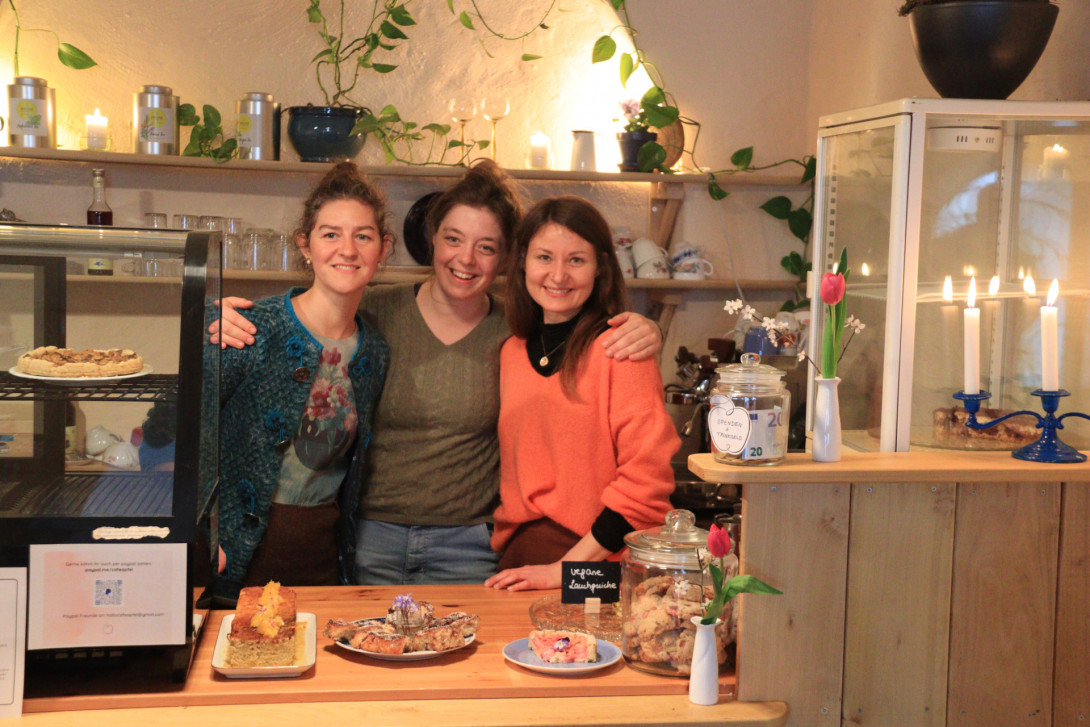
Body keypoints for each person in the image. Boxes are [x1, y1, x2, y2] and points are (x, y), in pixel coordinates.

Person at [210, 161, 663, 585]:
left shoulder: (517, 333)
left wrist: (645, 329)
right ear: (431, 238)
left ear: (507, 259)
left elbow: (585, 353)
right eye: (453, 239)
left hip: (471, 547)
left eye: (486, 247)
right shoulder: (373, 313)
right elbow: (315, 311)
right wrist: (222, 319)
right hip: (367, 542)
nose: (466, 259)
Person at [210, 161, 391, 602]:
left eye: (362, 236)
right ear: (305, 245)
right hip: (233, 559)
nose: (347, 249)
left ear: (382, 250)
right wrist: (201, 529)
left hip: (324, 561)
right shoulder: (250, 327)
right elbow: (177, 427)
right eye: (330, 234)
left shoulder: (375, 351)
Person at [484, 195, 678, 592]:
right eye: (544, 258)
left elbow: (647, 486)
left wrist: (563, 569)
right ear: (521, 262)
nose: (558, 275)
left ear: (600, 268)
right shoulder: (512, 352)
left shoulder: (621, 350)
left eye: (576, 260)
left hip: (598, 561)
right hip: (520, 556)